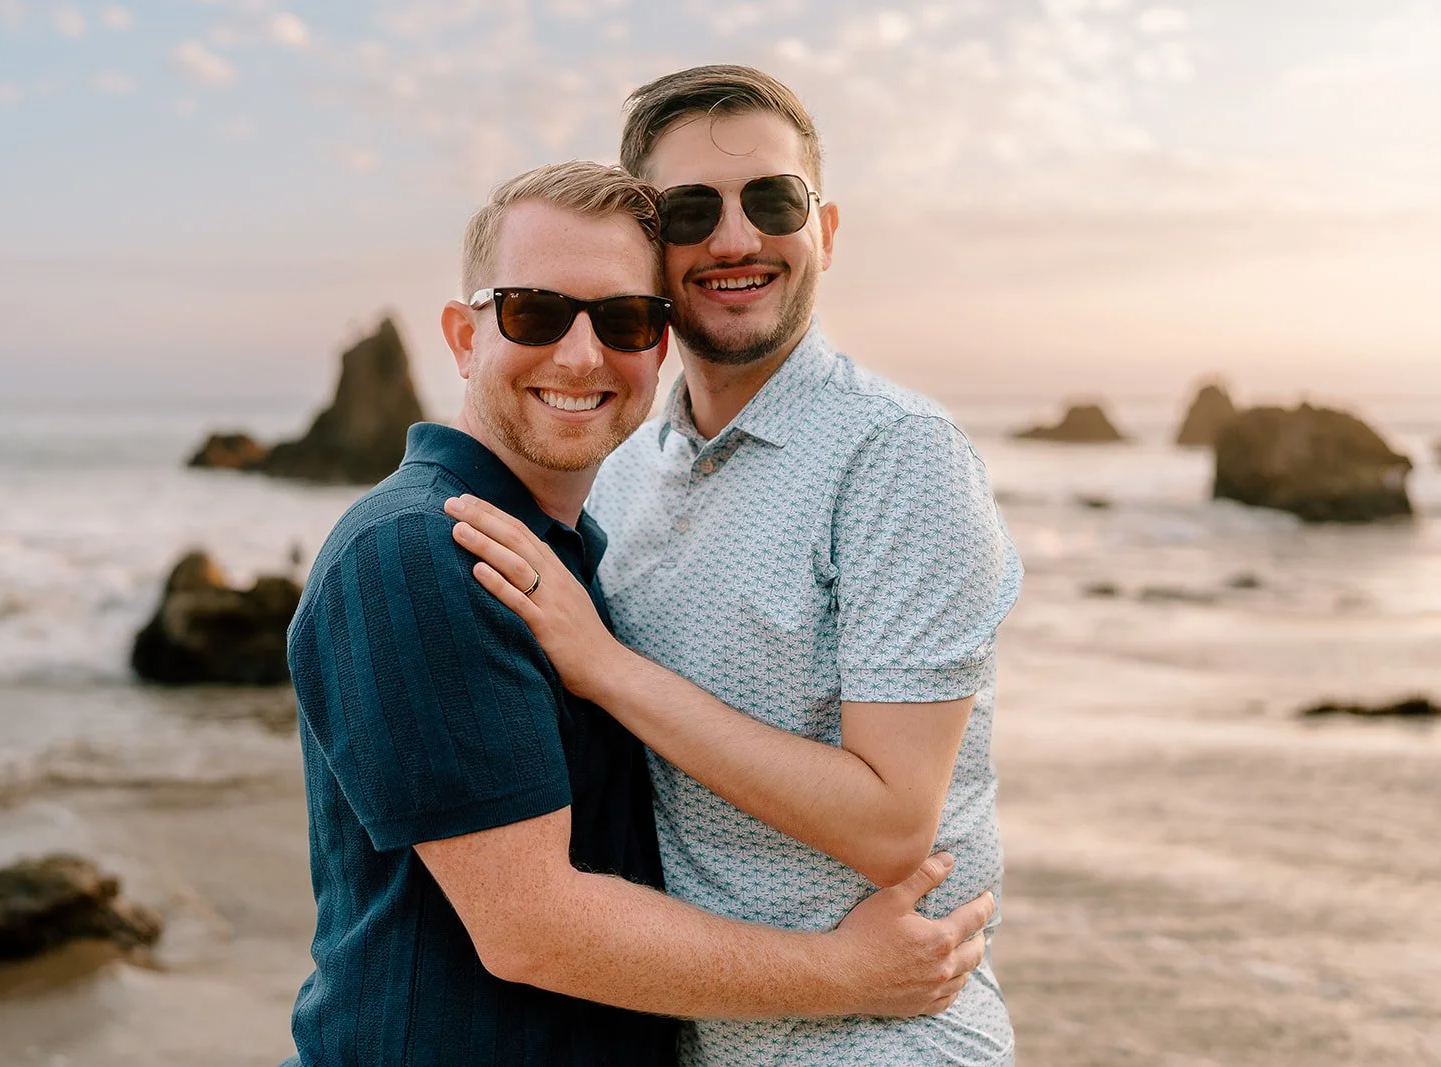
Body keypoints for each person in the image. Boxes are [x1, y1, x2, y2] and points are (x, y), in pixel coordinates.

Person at [281, 160, 995, 1067]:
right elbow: (532, 927)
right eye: (536, 312)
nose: (582, 355)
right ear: (465, 338)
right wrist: (850, 974)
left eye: (623, 319)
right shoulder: (421, 551)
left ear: (661, 348)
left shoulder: (565, 554)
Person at [446, 68, 1024, 1065]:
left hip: (883, 1034)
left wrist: (607, 667)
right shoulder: (621, 470)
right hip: (685, 1035)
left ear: (825, 231)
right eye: (689, 210)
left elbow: (892, 822)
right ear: (650, 252)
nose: (734, 239)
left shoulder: (898, 457)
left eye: (771, 200)